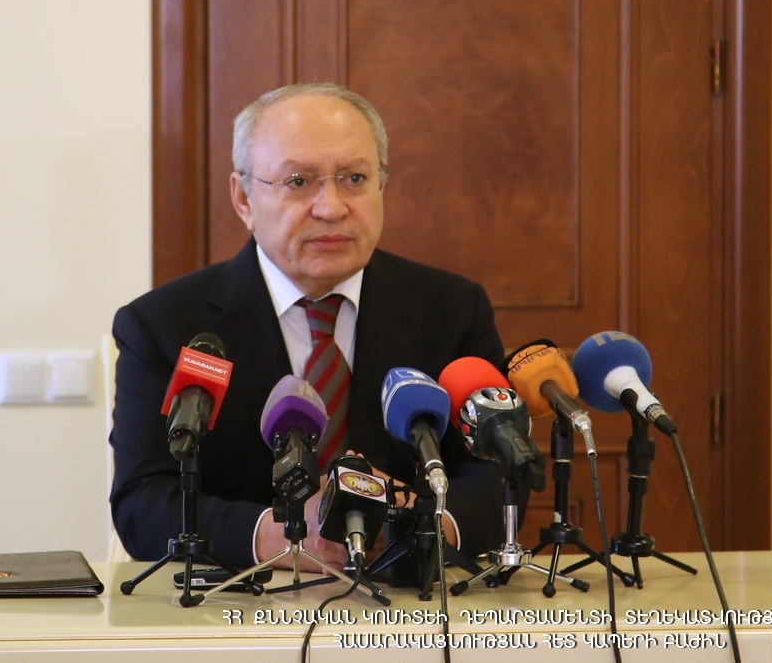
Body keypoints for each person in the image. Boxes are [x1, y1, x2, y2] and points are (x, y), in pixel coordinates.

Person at [109, 83, 506, 571]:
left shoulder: (452, 309)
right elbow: (142, 501)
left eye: (354, 178)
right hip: (241, 600)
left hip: (409, 593)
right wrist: (280, 537)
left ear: (381, 186)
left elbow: (496, 474)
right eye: (298, 181)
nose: (331, 207)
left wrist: (423, 526)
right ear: (244, 198)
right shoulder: (163, 325)